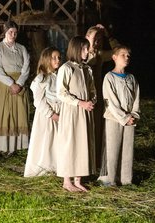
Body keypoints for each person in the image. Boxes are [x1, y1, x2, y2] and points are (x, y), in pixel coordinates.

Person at [56, 36, 97, 192]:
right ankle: (67, 180)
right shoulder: (66, 68)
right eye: (84, 48)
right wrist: (80, 103)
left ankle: (78, 179)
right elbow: (61, 92)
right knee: (70, 143)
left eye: (88, 48)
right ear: (76, 49)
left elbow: (93, 89)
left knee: (82, 143)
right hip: (72, 111)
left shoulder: (87, 69)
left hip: (85, 111)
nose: (87, 51)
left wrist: (92, 100)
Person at [0, 20, 31, 156]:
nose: (13, 35)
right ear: (5, 33)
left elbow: (26, 68)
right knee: (1, 114)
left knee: (17, 114)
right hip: (2, 84)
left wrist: (19, 84)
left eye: (15, 32)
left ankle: (13, 146)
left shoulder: (21, 49)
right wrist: (11, 83)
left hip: (19, 83)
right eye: (10, 32)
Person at [98, 45, 140, 186]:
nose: (126, 57)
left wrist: (134, 114)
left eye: (128, 55)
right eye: (123, 55)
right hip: (114, 118)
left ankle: (126, 179)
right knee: (112, 148)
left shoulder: (131, 78)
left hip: (130, 119)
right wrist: (124, 117)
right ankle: (110, 179)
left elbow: (136, 98)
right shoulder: (109, 77)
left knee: (127, 149)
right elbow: (111, 101)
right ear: (114, 57)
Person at [24, 47, 61, 177]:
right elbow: (38, 101)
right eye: (54, 58)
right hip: (47, 115)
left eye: (59, 58)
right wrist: (51, 114)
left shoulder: (59, 76)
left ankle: (56, 166)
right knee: (46, 141)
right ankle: (44, 168)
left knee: (57, 141)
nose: (58, 60)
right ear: (47, 59)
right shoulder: (41, 78)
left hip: (59, 111)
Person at [85, 24, 118, 170]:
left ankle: (96, 161)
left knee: (97, 126)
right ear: (87, 38)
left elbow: (118, 52)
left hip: (97, 93)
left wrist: (108, 35)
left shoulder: (99, 54)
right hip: (82, 94)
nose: (97, 42)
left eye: (99, 39)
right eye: (94, 39)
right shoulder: (81, 53)